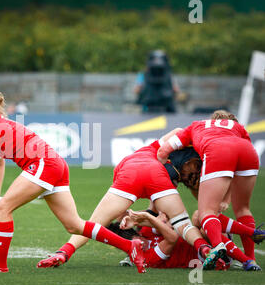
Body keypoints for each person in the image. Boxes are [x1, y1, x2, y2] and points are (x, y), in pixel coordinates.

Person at [0, 89, 147, 274]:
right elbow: (1, 164)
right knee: (74, 225)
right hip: (56, 164)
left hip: (43, 164)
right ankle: (130, 246)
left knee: (4, 207)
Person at [37, 130, 221, 271]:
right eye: (196, 167)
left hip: (131, 171)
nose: (195, 175)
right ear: (186, 161)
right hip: (152, 174)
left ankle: (64, 252)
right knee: (184, 224)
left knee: (92, 223)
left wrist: (134, 217)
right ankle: (204, 249)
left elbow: (154, 210)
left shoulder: (157, 151)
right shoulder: (170, 167)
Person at [157, 110, 260, 262]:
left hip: (217, 153)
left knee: (204, 213)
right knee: (243, 209)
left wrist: (162, 171)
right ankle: (251, 258)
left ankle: (219, 248)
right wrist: (227, 198)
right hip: (247, 152)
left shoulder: (196, 126)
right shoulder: (238, 128)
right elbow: (239, 157)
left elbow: (162, 150)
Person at [115, 209, 262, 271]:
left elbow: (167, 218)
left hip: (214, 240)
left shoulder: (147, 232)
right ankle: (246, 260)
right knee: (202, 229)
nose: (138, 245)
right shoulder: (148, 259)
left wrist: (147, 219)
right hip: (210, 259)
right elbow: (172, 237)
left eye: (133, 241)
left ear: (135, 235)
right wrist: (148, 218)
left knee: (200, 215)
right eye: (131, 247)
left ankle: (253, 233)